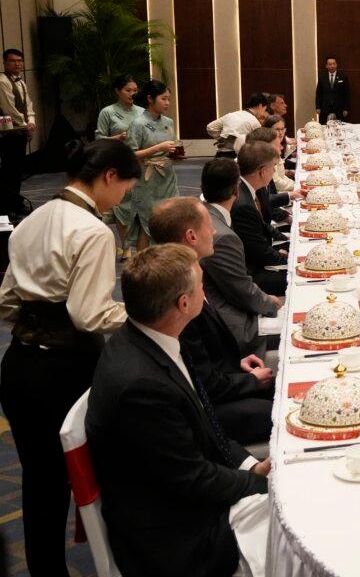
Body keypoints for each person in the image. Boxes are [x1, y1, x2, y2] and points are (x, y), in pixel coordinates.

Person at [0, 139, 139, 577]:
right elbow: (89, 315)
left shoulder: (31, 218)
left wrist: (39, 315)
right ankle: (120, 565)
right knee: (90, 468)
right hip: (65, 370)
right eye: (125, 189)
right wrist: (139, 314)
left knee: (39, 481)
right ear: (109, 178)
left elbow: (5, 302)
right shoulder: (94, 231)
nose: (122, 199)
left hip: (18, 364)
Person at [85, 244, 270, 577]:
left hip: (183, 500)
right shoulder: (142, 388)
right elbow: (193, 480)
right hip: (177, 539)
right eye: (201, 285)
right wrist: (261, 483)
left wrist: (250, 466)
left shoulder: (152, 337)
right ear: (184, 303)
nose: (205, 291)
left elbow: (205, 425)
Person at [149, 199, 274, 445]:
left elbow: (200, 358)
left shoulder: (188, 270)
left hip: (220, 379)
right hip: (205, 410)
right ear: (192, 236)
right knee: (290, 411)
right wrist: (250, 380)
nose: (215, 231)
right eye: (209, 226)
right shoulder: (175, 293)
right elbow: (200, 380)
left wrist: (237, 364)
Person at [199, 158, 284, 353]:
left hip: (224, 307)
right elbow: (240, 289)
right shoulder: (222, 236)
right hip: (233, 327)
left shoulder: (208, 213)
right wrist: (270, 303)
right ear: (236, 191)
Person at [125, 80, 180, 253]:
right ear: (150, 98)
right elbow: (130, 154)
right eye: (163, 99)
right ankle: (141, 264)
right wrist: (158, 148)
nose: (167, 103)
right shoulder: (138, 123)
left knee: (170, 220)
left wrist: (174, 154)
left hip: (167, 177)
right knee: (147, 223)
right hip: (146, 180)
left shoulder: (168, 122)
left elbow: (168, 149)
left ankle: (166, 259)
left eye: (168, 99)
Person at [233, 141, 288, 294]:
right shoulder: (243, 203)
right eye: (273, 167)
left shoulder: (247, 188)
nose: (274, 172)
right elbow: (259, 253)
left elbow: (262, 225)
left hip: (260, 256)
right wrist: (289, 260)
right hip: (252, 275)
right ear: (263, 171)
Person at [95, 76, 144, 251]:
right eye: (128, 90)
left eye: (134, 90)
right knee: (121, 207)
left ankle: (136, 247)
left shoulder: (141, 111)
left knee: (137, 207)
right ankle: (125, 248)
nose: (132, 94)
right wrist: (118, 137)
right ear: (117, 91)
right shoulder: (107, 112)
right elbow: (98, 138)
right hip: (116, 163)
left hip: (138, 163)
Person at [0, 48, 34, 218]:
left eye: (20, 61)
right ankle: (7, 207)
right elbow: (9, 109)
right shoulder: (2, 81)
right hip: (8, 133)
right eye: (13, 61)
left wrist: (32, 121)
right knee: (9, 171)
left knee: (17, 170)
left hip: (20, 131)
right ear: (5, 63)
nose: (18, 64)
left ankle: (16, 203)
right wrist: (25, 125)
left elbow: (28, 104)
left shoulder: (21, 82)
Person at [245, 126, 290, 225]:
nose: (282, 147)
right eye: (278, 145)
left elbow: (266, 202)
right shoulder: (256, 174)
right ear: (266, 148)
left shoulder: (264, 167)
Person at [206, 93, 268, 157]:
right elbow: (260, 143)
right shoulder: (254, 122)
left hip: (220, 153)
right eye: (264, 109)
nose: (263, 113)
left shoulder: (231, 115)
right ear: (260, 106)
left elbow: (210, 127)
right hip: (237, 156)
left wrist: (222, 138)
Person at [263, 114, 296, 192]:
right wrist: (296, 185)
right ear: (267, 130)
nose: (281, 133)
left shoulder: (278, 144)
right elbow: (276, 182)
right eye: (277, 130)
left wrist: (295, 183)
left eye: (282, 129)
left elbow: (281, 176)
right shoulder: (267, 149)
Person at [315, 54, 349, 122]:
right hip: (325, 108)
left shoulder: (343, 77)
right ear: (326, 66)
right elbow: (319, 93)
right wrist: (318, 107)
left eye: (334, 64)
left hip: (339, 108)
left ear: (336, 65)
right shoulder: (322, 78)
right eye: (330, 64)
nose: (332, 66)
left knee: (339, 128)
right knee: (325, 127)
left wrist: (346, 108)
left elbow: (346, 94)